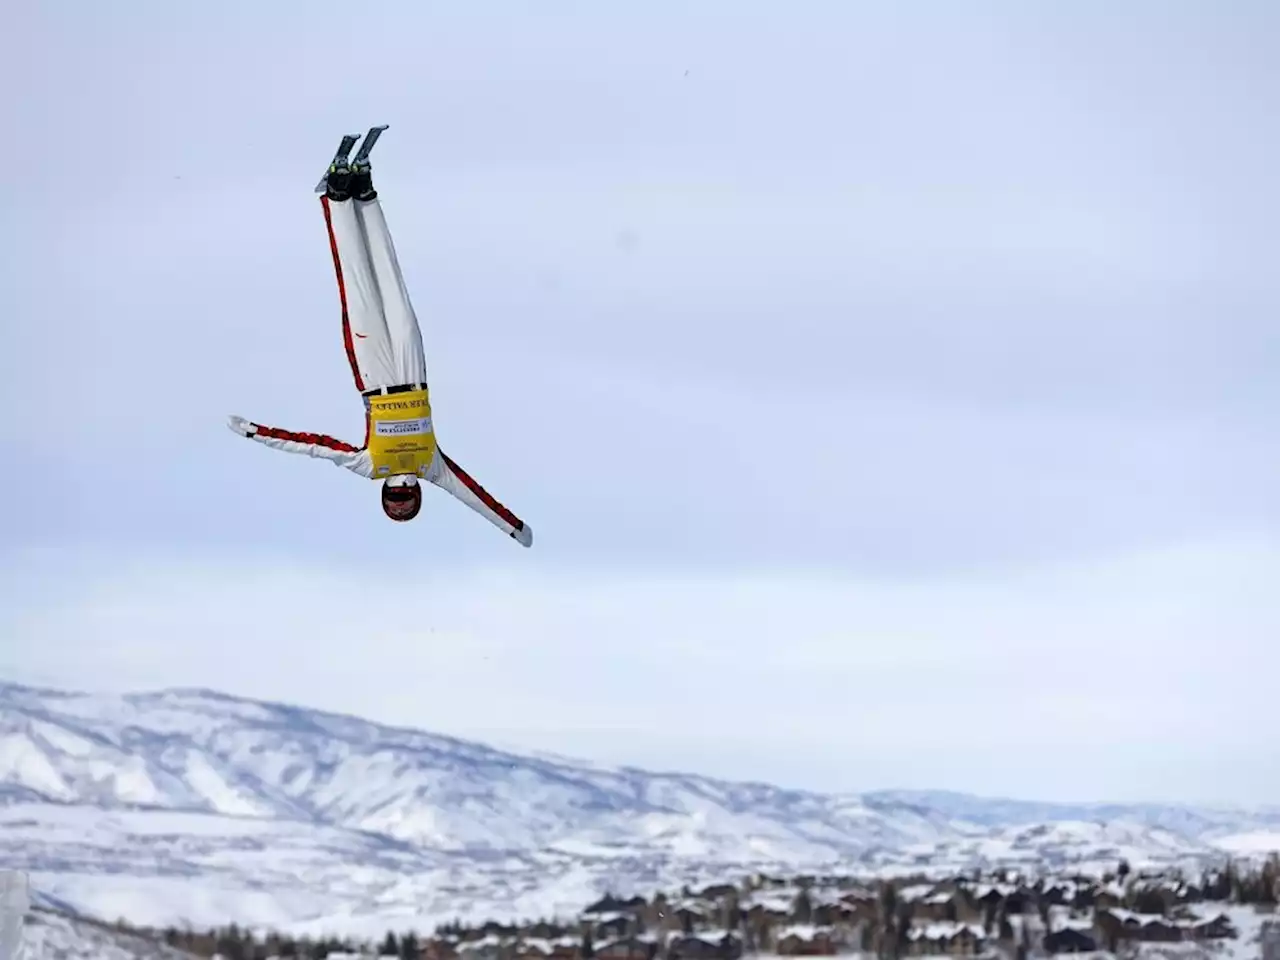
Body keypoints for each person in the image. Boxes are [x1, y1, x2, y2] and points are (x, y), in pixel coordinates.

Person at [228, 136, 533, 547]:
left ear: (386, 494)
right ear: (418, 493)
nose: (400, 489)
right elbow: (475, 497)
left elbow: (312, 447)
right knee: (391, 282)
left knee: (359, 286)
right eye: (405, 496)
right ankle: (365, 197)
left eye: (395, 496)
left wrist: (256, 431)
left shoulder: (370, 464)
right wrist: (512, 527)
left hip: (374, 374)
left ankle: (339, 201)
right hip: (413, 370)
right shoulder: (433, 467)